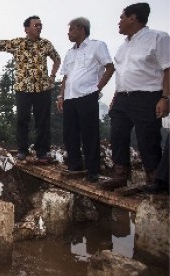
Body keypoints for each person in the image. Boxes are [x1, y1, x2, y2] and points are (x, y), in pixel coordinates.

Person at [0, 15, 61, 163]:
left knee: (43, 122)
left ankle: (42, 153)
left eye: (41, 25)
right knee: (22, 120)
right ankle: (22, 150)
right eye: (36, 25)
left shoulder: (46, 44)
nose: (39, 27)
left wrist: (52, 76)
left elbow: (57, 59)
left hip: (42, 88)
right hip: (23, 89)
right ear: (27, 29)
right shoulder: (17, 43)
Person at [99, 2, 170, 191]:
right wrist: (115, 96)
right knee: (118, 135)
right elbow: (122, 73)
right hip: (122, 97)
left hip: (147, 96)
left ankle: (155, 179)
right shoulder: (123, 47)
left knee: (147, 138)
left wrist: (165, 98)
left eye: (122, 17)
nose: (119, 22)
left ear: (133, 18)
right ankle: (120, 175)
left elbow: (168, 69)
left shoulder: (158, 37)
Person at [56, 17, 115, 183]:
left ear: (81, 29)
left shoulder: (97, 46)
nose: (68, 33)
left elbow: (110, 67)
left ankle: (93, 171)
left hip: (87, 95)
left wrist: (98, 88)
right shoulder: (69, 52)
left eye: (71, 30)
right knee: (69, 133)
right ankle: (75, 165)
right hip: (70, 97)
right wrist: (61, 95)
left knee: (89, 133)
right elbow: (66, 76)